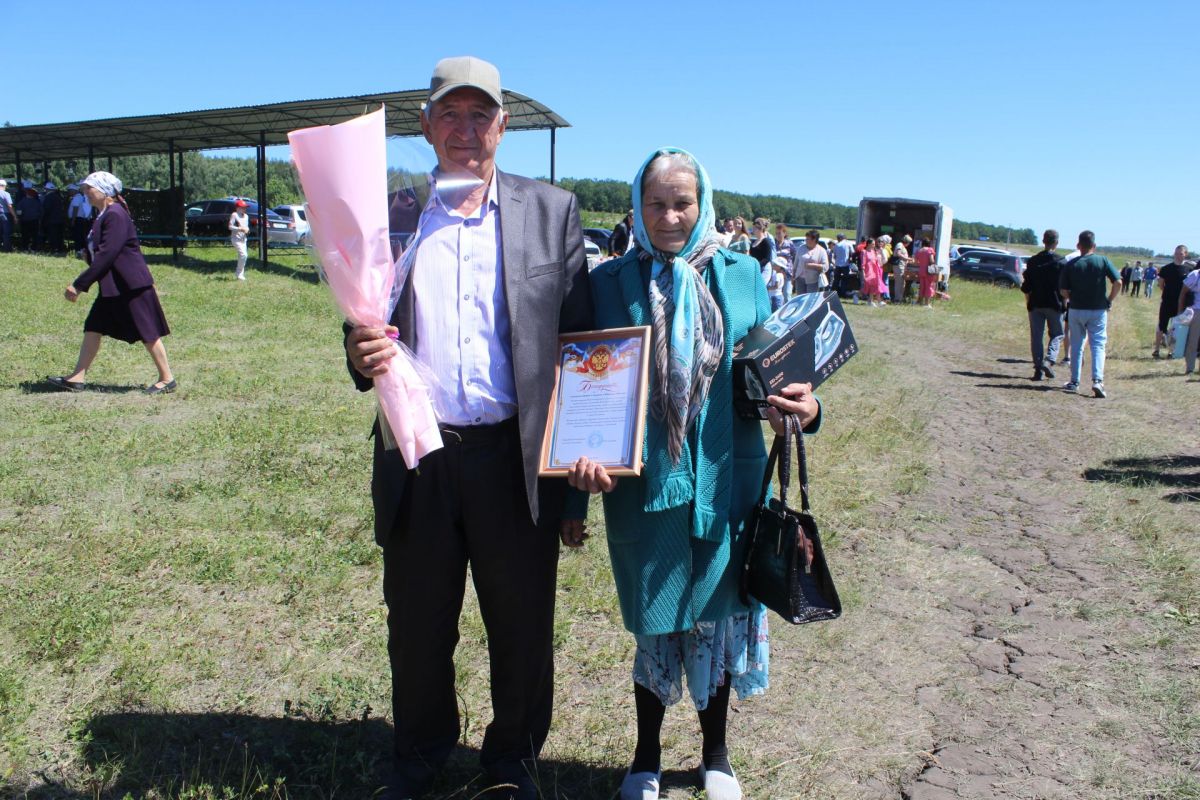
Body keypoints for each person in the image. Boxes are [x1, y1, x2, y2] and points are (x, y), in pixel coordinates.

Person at [343, 56, 591, 800]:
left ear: (504, 128)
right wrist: (358, 354)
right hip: (419, 451)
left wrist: (576, 489)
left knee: (521, 625)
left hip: (513, 458)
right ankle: (418, 754)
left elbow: (580, 347)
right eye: (450, 114)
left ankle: (511, 760)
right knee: (417, 622)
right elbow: (362, 329)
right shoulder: (390, 215)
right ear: (424, 126)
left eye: (480, 115)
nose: (465, 130)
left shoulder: (553, 211)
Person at [560, 147, 821, 800]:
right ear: (637, 207)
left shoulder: (743, 275)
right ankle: (646, 759)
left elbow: (776, 374)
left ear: (703, 203)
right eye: (656, 202)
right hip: (643, 487)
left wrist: (804, 406)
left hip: (725, 483)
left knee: (717, 620)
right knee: (656, 622)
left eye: (682, 201)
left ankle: (716, 757)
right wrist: (578, 477)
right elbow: (589, 385)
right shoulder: (608, 280)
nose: (670, 215)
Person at [47, 171, 176, 395]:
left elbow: (108, 254)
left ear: (105, 192)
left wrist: (79, 285)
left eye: (90, 189)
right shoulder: (105, 214)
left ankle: (167, 378)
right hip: (114, 286)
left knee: (147, 331)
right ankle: (77, 377)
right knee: (93, 326)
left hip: (130, 285)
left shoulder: (115, 214)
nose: (86, 193)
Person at [1058, 230, 1121, 397]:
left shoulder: (1071, 264)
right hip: (1098, 309)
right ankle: (1097, 381)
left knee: (1077, 346)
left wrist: (1072, 297)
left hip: (1077, 309)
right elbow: (1118, 282)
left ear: (1078, 245)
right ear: (1094, 245)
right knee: (1098, 345)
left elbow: (1063, 290)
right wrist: (1109, 299)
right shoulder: (1103, 261)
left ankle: (1074, 381)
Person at [1021, 229, 1066, 380]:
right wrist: (1064, 303)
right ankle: (1050, 360)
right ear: (1057, 242)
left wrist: (1029, 302)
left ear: (1043, 241)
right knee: (1057, 335)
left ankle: (1038, 370)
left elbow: (1026, 286)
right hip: (1055, 304)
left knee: (1036, 337)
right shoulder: (1061, 262)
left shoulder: (1033, 261)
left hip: (1035, 304)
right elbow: (1065, 287)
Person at [1153, 245, 1190, 358]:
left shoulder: (1189, 270)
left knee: (1176, 328)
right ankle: (1157, 350)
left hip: (1181, 304)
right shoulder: (1166, 269)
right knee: (1161, 325)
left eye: (1181, 253)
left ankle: (1171, 351)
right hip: (1167, 302)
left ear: (1185, 254)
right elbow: (1161, 284)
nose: (1178, 256)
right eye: (1176, 253)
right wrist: (1168, 293)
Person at [792, 228, 829, 294]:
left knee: (810, 300)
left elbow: (826, 267)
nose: (806, 240)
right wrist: (793, 275)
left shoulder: (822, 251)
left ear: (814, 240)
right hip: (799, 278)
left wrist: (813, 266)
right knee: (801, 299)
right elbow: (796, 263)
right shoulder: (801, 248)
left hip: (813, 280)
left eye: (807, 239)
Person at [67, 183, 92, 257]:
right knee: (80, 235)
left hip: (77, 219)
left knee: (77, 235)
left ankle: (78, 250)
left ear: (73, 190)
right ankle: (81, 249)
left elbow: (75, 209)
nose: (69, 192)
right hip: (80, 219)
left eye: (70, 190)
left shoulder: (76, 197)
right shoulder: (80, 197)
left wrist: (73, 220)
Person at [41, 181, 66, 254]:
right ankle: (60, 249)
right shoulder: (58, 197)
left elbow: (47, 209)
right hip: (59, 219)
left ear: (47, 189)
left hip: (51, 220)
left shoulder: (48, 197)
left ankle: (55, 249)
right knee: (59, 235)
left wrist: (44, 219)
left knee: (53, 235)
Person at [15, 184, 42, 251]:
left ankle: (25, 248)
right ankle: (34, 248)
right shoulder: (37, 202)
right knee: (35, 235)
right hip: (35, 220)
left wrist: (19, 217)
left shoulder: (22, 202)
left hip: (25, 221)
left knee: (25, 235)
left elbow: (19, 211)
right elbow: (41, 211)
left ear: (27, 194)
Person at [229, 199, 250, 280]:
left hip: (243, 239)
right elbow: (230, 227)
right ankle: (239, 274)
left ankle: (240, 275)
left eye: (245, 207)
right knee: (243, 255)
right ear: (237, 208)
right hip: (236, 239)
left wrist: (247, 230)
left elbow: (246, 227)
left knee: (244, 257)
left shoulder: (246, 216)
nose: (245, 209)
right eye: (243, 207)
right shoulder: (234, 215)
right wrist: (240, 229)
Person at [860, 236, 884, 306]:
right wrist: (863, 272)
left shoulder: (874, 252)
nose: (874, 245)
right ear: (868, 244)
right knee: (868, 286)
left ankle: (874, 301)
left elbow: (876, 261)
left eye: (874, 244)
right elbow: (863, 263)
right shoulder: (864, 252)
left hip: (874, 271)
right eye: (873, 244)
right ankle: (857, 295)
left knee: (875, 285)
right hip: (868, 271)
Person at [914, 237, 938, 308]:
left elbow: (916, 262)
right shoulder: (930, 250)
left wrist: (922, 263)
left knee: (922, 286)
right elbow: (931, 260)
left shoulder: (919, 251)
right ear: (929, 243)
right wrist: (934, 263)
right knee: (928, 286)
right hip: (928, 271)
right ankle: (927, 303)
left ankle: (919, 302)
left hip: (921, 270)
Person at [831, 232, 854, 298]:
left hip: (837, 265)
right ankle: (843, 293)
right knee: (845, 280)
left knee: (836, 280)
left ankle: (834, 293)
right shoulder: (848, 244)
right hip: (845, 264)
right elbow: (852, 253)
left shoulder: (836, 245)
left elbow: (834, 256)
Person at [890, 235, 912, 304]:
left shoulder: (903, 246)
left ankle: (900, 298)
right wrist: (907, 259)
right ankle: (897, 299)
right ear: (907, 242)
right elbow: (898, 253)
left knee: (902, 283)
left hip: (902, 267)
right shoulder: (900, 245)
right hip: (899, 266)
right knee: (899, 283)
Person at [0, 179, 14, 252]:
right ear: (3, 186)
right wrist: (15, 216)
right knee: (6, 232)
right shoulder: (6, 194)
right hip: (5, 214)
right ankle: (7, 249)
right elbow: (9, 206)